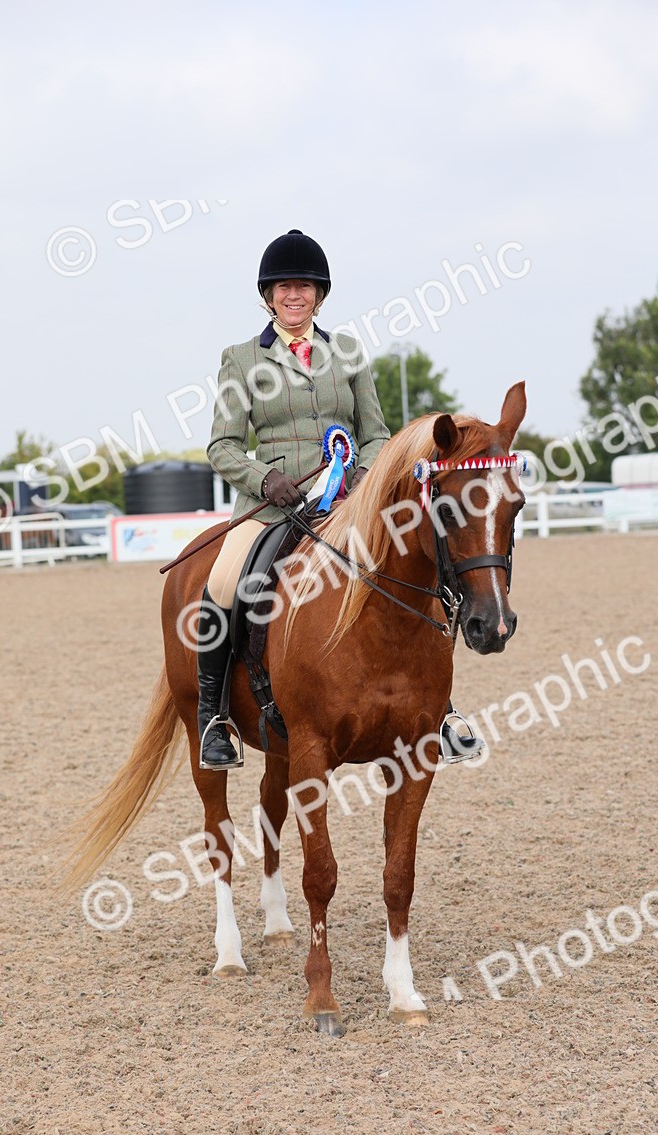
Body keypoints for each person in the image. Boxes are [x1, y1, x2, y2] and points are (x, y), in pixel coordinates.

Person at [198, 228, 482, 770]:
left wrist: (361, 478)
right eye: (283, 288)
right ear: (268, 296)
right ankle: (215, 718)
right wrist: (264, 480)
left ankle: (439, 708)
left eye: (304, 286)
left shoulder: (347, 353)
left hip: (347, 501)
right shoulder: (240, 360)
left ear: (320, 295)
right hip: (273, 507)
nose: (294, 295)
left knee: (426, 561)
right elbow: (222, 445)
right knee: (225, 581)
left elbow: (377, 433)